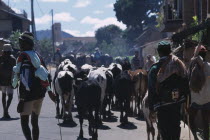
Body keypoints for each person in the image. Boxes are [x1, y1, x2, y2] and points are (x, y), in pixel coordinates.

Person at [12, 32, 56, 140]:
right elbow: (46, 75)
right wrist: (49, 91)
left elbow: (22, 77)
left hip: (27, 96)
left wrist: (21, 99)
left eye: (21, 42)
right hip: (40, 95)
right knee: (35, 122)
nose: (20, 45)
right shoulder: (38, 56)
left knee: (24, 121)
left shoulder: (22, 56)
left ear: (26, 43)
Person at [148, 41, 190, 140]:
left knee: (164, 132)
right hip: (176, 105)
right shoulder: (178, 65)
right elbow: (186, 84)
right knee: (175, 130)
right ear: (170, 51)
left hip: (162, 107)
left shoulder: (154, 69)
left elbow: (151, 90)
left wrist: (151, 109)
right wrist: (186, 101)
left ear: (159, 52)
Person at [188, 45, 210, 139]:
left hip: (194, 100)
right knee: (206, 123)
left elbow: (187, 81)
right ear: (205, 55)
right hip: (207, 99)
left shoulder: (191, 66)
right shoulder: (209, 66)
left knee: (191, 119)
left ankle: (195, 137)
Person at [0, 44, 16, 118]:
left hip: (2, 81)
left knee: (3, 95)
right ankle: (6, 110)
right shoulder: (13, 59)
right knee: (10, 96)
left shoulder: (0, 58)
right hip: (10, 81)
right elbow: (16, 71)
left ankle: (5, 111)